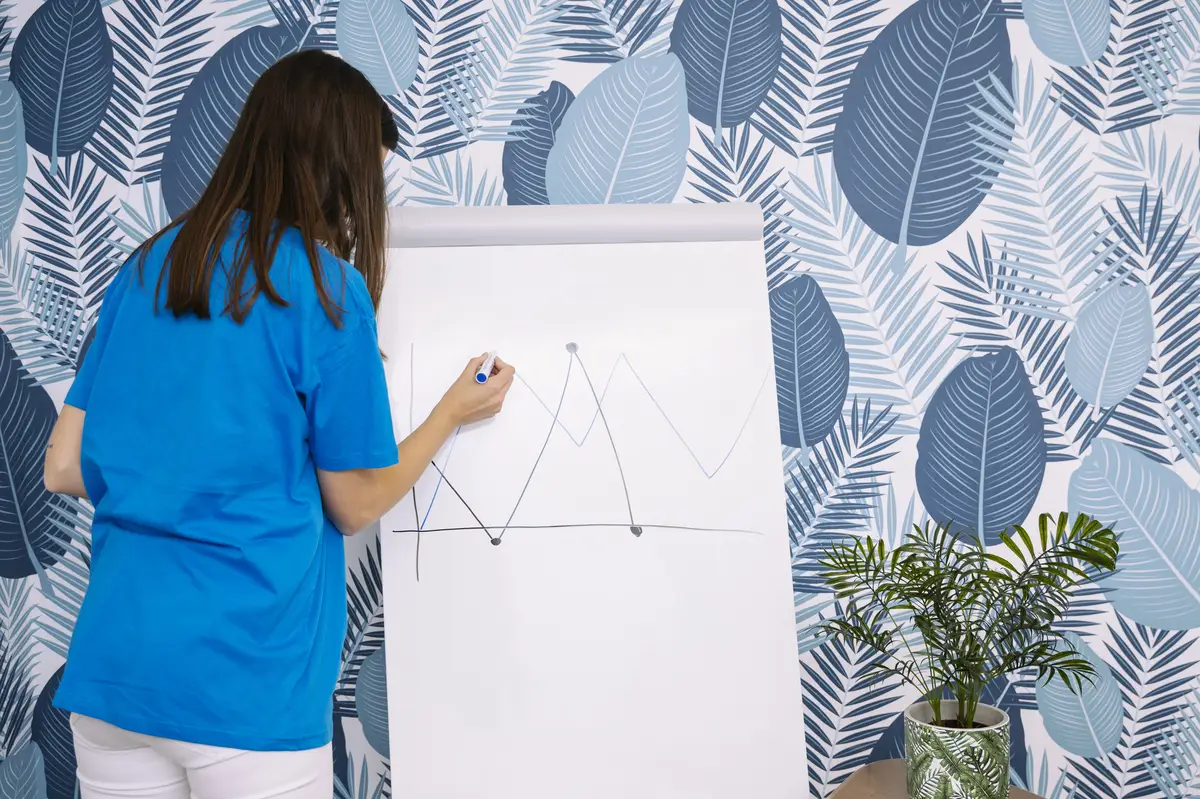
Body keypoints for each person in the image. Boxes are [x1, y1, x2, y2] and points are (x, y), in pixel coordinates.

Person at [41, 50, 514, 798]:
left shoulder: (145, 268)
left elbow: (62, 464)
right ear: (331, 167)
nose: (362, 206)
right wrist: (452, 413)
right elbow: (353, 500)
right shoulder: (327, 288)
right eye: (364, 178)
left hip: (115, 675)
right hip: (246, 685)